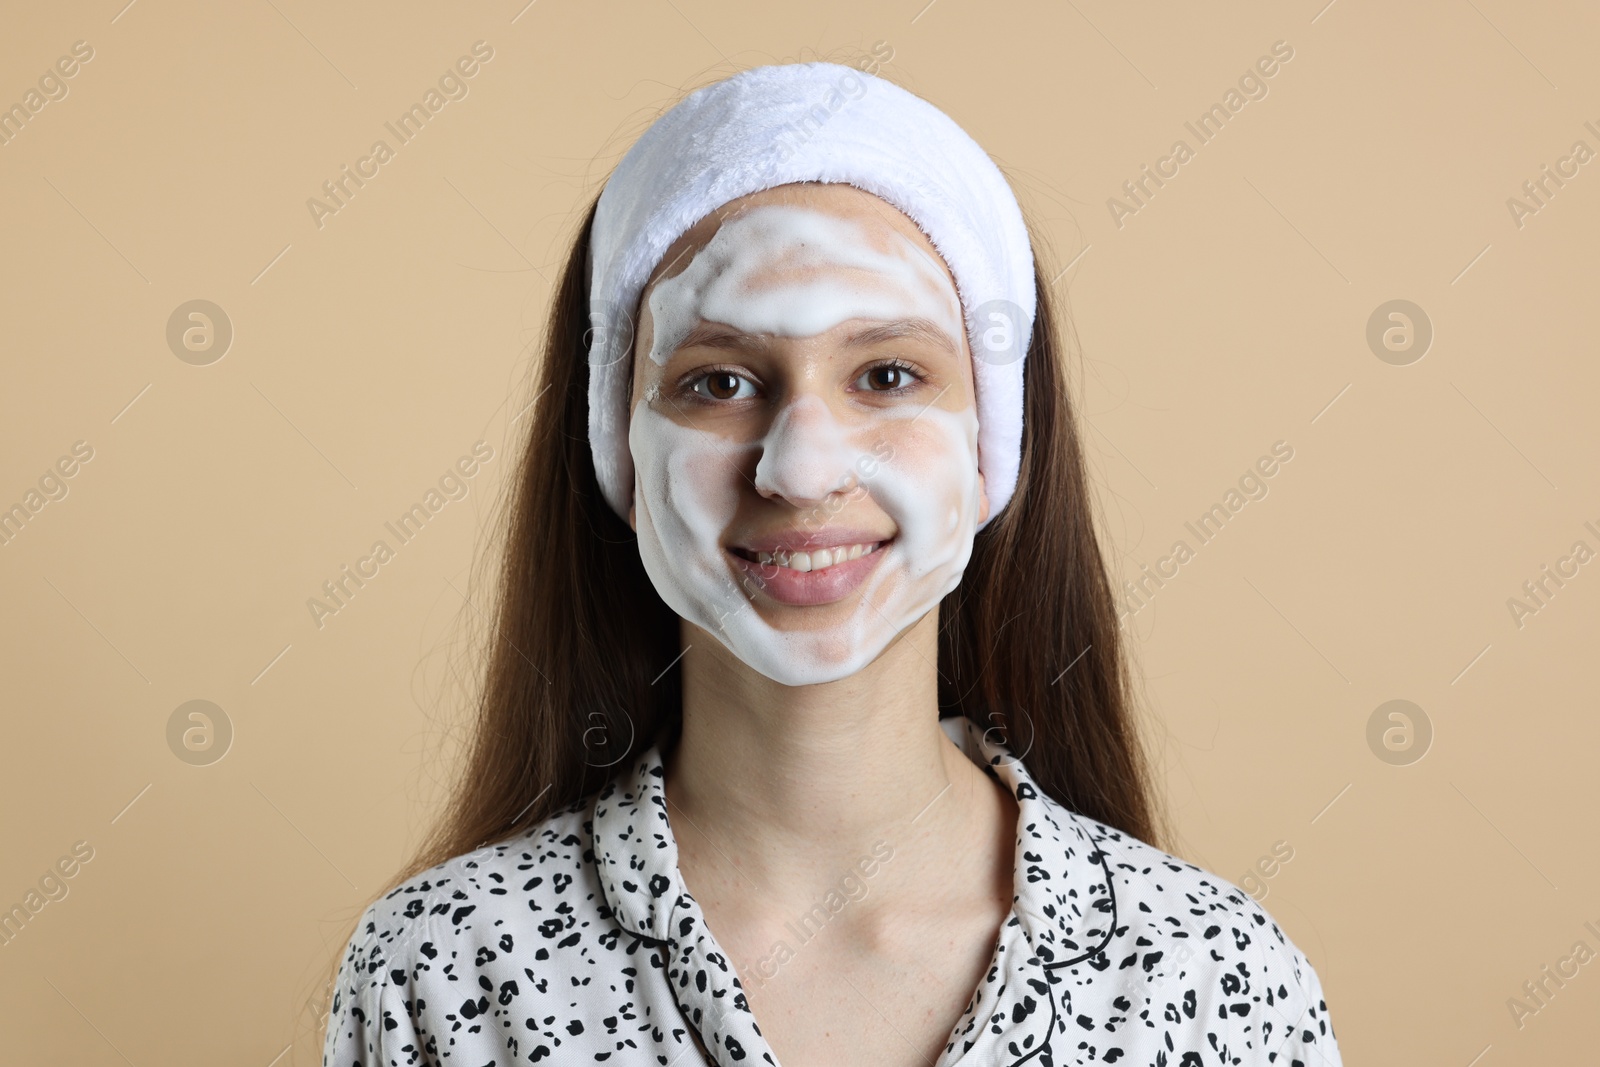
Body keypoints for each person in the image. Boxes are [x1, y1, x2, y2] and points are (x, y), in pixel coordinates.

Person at [320, 61, 1342, 1066]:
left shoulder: (1212, 980)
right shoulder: (442, 971)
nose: (801, 468)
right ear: (614, 445)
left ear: (993, 443)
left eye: (887, 374)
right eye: (718, 379)